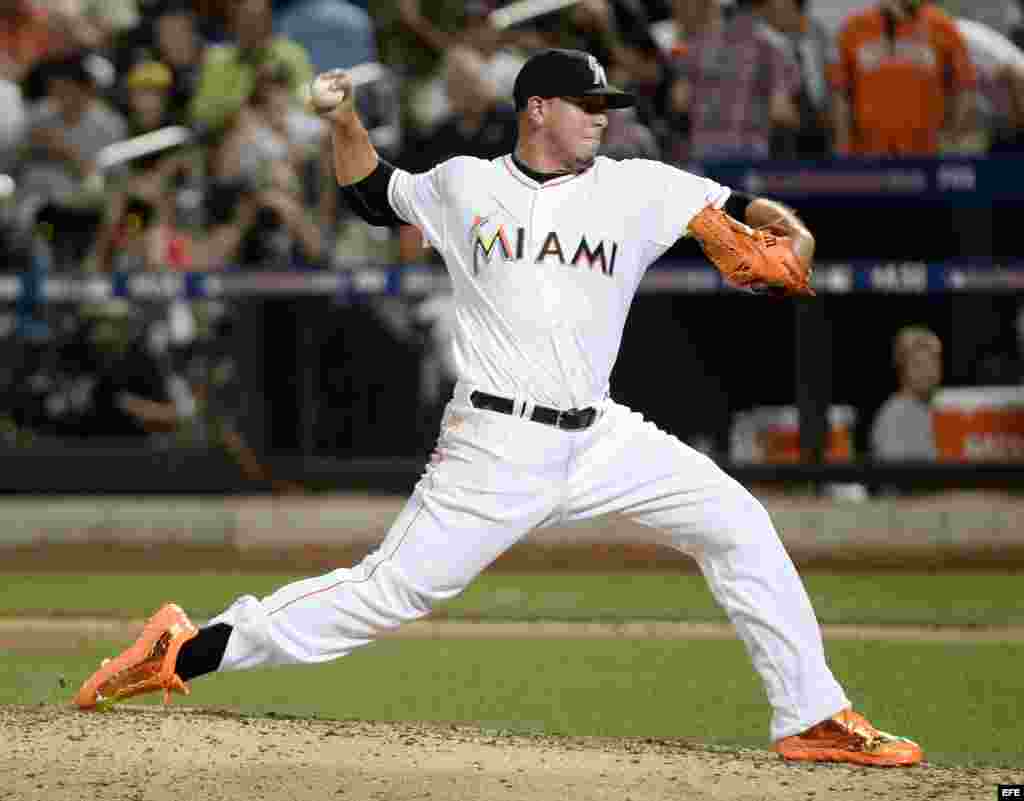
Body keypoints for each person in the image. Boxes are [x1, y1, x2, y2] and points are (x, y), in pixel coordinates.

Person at [74, 48, 923, 769]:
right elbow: (373, 191)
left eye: (608, 105)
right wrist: (341, 120)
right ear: (537, 108)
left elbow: (746, 211)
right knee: (385, 591)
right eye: (588, 105)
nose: (602, 117)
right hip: (494, 441)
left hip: (602, 434)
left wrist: (792, 230)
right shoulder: (464, 185)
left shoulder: (640, 186)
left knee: (736, 521)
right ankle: (183, 648)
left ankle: (811, 715)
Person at [829, 0, 975, 156]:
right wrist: (842, 144)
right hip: (868, 150)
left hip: (925, 150)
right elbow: (840, 91)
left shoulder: (942, 26)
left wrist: (954, 135)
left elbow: (963, 85)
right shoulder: (854, 28)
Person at [870, 325, 942, 462]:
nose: (928, 371)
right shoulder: (892, 417)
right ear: (902, 367)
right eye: (919, 364)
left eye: (934, 361)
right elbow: (898, 477)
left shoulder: (948, 409)